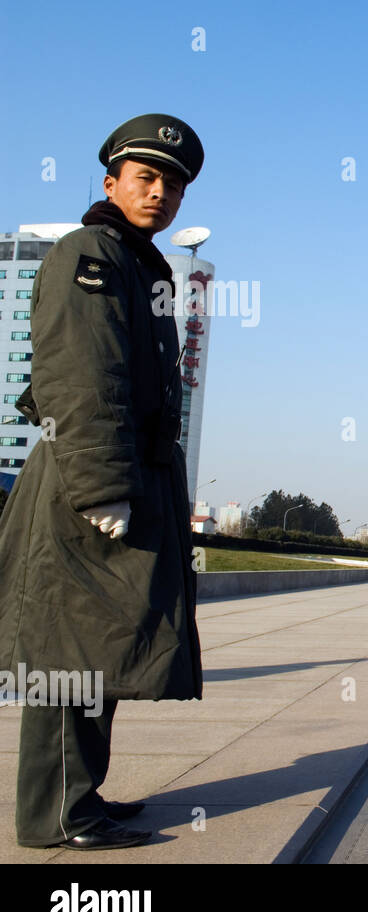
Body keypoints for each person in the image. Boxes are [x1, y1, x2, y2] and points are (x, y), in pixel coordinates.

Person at [0, 114, 205, 851]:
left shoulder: (138, 262)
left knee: (103, 648)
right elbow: (81, 378)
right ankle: (57, 814)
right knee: (70, 655)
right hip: (86, 486)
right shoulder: (88, 253)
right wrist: (99, 488)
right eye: (146, 178)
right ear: (111, 181)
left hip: (128, 479)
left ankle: (79, 793)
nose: (161, 193)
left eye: (173, 185)